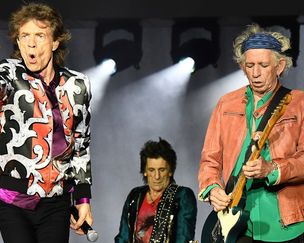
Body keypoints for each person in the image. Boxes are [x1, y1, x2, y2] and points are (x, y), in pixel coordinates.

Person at [0, 2, 93, 243]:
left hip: (56, 203)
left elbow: (81, 146)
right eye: (24, 36)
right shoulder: (10, 72)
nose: (31, 43)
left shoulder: (78, 84)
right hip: (14, 202)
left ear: (55, 41)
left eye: (39, 35)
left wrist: (83, 201)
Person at [198, 23, 304, 242]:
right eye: (250, 65)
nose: (255, 73)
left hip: (285, 224)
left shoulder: (299, 103)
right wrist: (212, 189)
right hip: (236, 224)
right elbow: (210, 159)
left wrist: (272, 170)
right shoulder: (226, 104)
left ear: (280, 66)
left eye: (264, 65)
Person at [115, 137, 197, 243]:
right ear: (145, 171)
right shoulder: (135, 195)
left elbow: (183, 238)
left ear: (170, 171)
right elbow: (122, 238)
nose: (157, 176)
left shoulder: (183, 196)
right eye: (151, 170)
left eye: (162, 170)